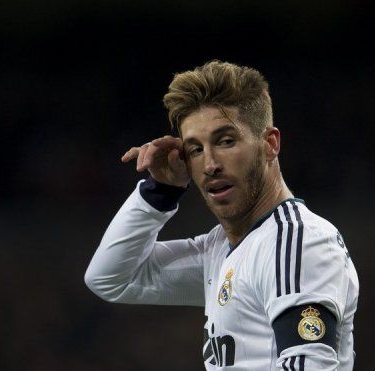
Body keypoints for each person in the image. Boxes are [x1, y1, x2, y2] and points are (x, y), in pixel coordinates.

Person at [85, 60, 359, 370]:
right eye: (196, 149)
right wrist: (158, 192)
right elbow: (110, 278)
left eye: (225, 141)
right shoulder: (219, 250)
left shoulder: (297, 242)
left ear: (269, 144)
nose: (210, 164)